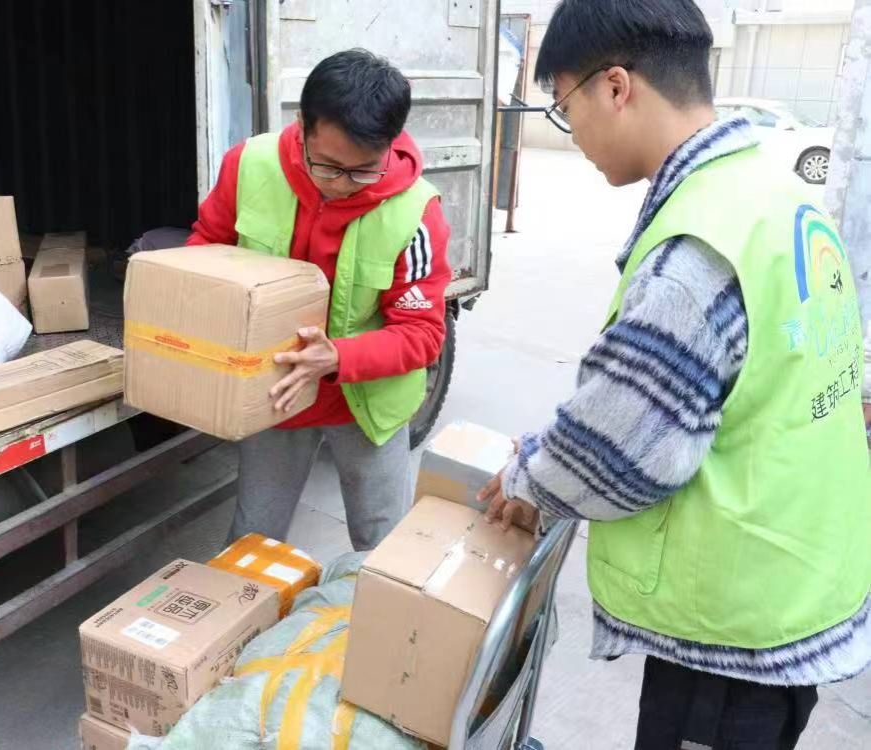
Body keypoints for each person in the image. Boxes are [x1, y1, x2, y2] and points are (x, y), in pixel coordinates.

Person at [477, 1, 871, 748]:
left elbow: (620, 450)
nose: (573, 133)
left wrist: (529, 480)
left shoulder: (699, 249)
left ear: (615, 87)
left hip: (736, 634)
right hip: (798, 579)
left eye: (564, 107)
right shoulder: (772, 191)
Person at [187, 49, 451, 551]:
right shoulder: (249, 166)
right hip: (275, 390)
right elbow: (206, 250)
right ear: (302, 126)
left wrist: (337, 358)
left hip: (366, 403)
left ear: (390, 144)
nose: (342, 186)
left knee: (383, 549)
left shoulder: (416, 212)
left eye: (363, 171)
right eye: (327, 167)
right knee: (251, 540)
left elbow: (423, 334)